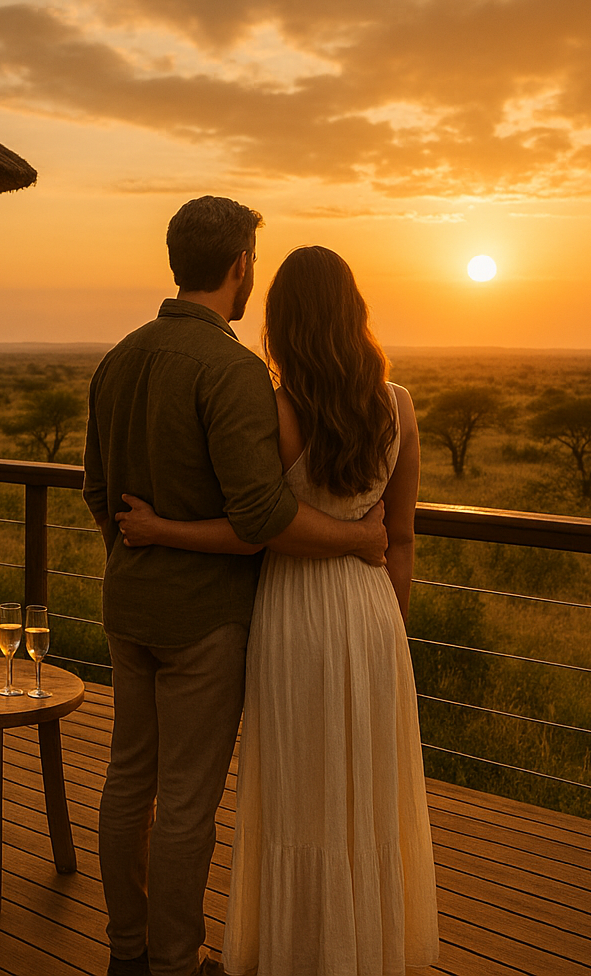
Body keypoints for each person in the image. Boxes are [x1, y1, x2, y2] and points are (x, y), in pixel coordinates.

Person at [115, 245, 440, 975]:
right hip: (370, 612)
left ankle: (300, 950)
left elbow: (266, 522)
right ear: (354, 313)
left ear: (283, 322)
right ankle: (362, 950)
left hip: (295, 609)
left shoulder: (277, 409)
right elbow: (403, 537)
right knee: (364, 794)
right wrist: (390, 628)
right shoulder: (399, 406)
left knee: (298, 792)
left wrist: (162, 528)